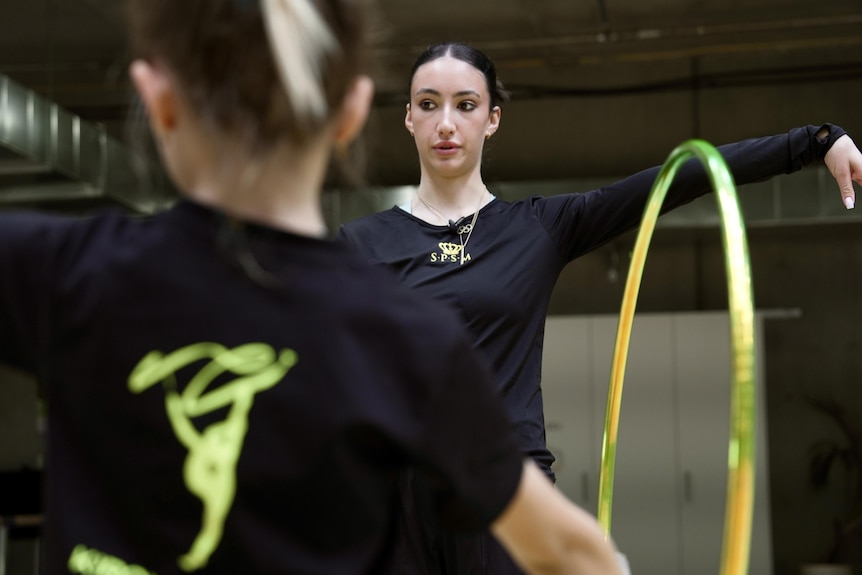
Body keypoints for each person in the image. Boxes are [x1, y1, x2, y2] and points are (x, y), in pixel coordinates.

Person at [0, 5, 624, 575]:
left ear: (157, 97)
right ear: (352, 113)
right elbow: (571, 553)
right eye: (430, 104)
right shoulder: (403, 336)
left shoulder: (62, 272)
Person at [335, 41, 862, 574]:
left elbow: (673, 181)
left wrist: (814, 143)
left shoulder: (537, 229)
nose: (446, 123)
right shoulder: (358, 245)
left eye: (465, 105)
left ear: (492, 119)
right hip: (399, 491)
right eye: (428, 104)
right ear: (408, 117)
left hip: (509, 492)